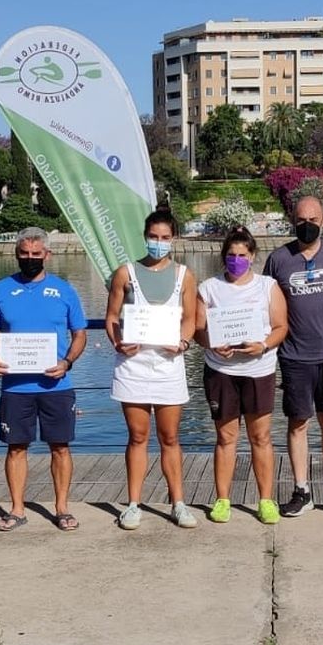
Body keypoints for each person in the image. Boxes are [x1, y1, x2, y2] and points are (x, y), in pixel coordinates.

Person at [0, 227, 89, 532]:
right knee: (16, 448)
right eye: (24, 254)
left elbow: (79, 333)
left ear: (47, 255)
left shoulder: (65, 290)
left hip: (57, 384)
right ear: (16, 254)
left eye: (35, 254)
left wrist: (67, 361)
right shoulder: (0, 289)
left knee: (60, 447)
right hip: (15, 387)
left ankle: (63, 508)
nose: (29, 259)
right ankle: (16, 509)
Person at [106, 209, 198, 530]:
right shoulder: (125, 273)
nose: (159, 243)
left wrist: (184, 343)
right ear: (145, 236)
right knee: (137, 436)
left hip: (169, 365)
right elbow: (112, 317)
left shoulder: (184, 275)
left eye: (165, 238)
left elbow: (190, 319)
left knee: (170, 437)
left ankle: (178, 503)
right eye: (153, 237)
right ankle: (133, 504)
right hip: (133, 365)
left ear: (173, 239)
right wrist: (118, 342)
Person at [263, 196, 323, 518]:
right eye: (301, 219)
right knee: (298, 422)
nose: (307, 225)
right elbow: (263, 304)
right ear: (292, 219)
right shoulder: (278, 259)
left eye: (313, 219)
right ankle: (301, 490)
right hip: (293, 356)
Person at [196, 227, 288, 525]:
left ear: (253, 257)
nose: (237, 260)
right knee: (226, 437)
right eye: (231, 255)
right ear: (223, 256)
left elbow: (280, 327)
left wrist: (262, 345)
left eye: (242, 255)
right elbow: (198, 329)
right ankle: (223, 499)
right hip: (221, 371)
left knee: (260, 437)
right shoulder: (209, 287)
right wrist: (211, 342)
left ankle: (266, 500)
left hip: (258, 370)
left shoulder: (267, 286)